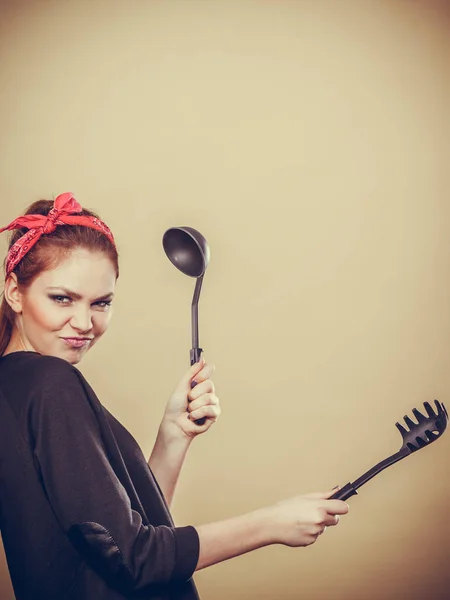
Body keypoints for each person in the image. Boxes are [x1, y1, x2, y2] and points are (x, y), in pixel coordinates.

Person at [0, 193, 349, 600]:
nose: (84, 323)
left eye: (102, 303)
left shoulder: (15, 386)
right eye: (62, 298)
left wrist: (172, 437)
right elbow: (136, 560)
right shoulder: (50, 383)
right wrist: (271, 523)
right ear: (14, 292)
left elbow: (118, 541)